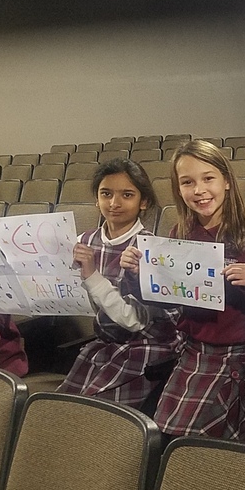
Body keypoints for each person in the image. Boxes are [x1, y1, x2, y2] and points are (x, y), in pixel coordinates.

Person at [120, 140, 245, 441]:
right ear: (178, 190)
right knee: (163, 435)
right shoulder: (177, 237)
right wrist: (137, 276)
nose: (199, 190)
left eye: (208, 178)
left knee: (198, 437)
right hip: (195, 350)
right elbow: (162, 298)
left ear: (227, 181)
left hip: (243, 353)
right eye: (188, 182)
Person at [57, 158, 182, 416]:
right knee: (61, 408)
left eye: (127, 195)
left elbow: (134, 321)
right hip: (105, 344)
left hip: (146, 346)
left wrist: (91, 275)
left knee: (97, 414)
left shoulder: (149, 247)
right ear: (96, 199)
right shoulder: (85, 241)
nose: (114, 204)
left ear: (143, 202)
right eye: (106, 194)